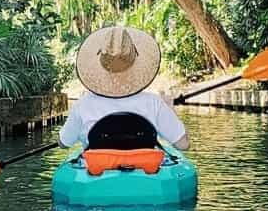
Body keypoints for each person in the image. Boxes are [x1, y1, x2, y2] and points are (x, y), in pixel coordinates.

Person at [59, 26, 189, 151]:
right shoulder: (154, 103)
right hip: (144, 171)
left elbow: (64, 143)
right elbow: (183, 144)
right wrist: (170, 109)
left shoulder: (84, 104)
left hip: (97, 169)